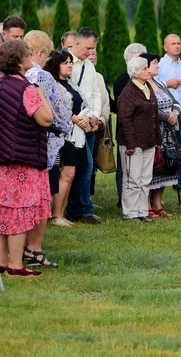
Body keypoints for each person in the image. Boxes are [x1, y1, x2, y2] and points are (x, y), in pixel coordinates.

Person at [0, 40, 54, 276]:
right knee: (19, 213)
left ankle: (2, 262)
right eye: (28, 55)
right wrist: (41, 94)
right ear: (20, 61)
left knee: (4, 211)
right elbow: (46, 119)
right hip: (23, 159)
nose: (31, 58)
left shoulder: (1, 84)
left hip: (3, 157)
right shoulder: (27, 88)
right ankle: (15, 265)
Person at [23, 32, 71, 267]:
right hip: (44, 143)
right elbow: (59, 110)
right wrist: (65, 127)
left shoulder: (16, 75)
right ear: (41, 53)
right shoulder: (41, 76)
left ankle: (20, 245)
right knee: (41, 198)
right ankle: (35, 248)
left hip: (21, 143)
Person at [44, 50, 90, 228]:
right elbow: (54, 109)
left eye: (71, 62)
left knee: (71, 175)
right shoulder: (53, 85)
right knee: (67, 173)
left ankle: (60, 213)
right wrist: (73, 118)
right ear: (56, 65)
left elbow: (83, 104)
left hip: (77, 134)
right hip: (62, 135)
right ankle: (55, 215)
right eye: (65, 62)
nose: (70, 65)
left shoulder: (71, 83)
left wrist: (87, 117)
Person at [117, 56, 161, 222]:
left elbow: (154, 115)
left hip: (148, 141)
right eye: (144, 69)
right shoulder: (128, 93)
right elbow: (125, 120)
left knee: (145, 179)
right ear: (135, 73)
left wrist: (157, 140)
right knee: (132, 179)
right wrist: (130, 143)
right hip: (132, 143)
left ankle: (142, 211)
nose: (148, 71)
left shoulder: (147, 86)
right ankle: (130, 213)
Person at [66, 27, 101, 224]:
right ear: (77, 43)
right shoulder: (66, 63)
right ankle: (79, 209)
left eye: (93, 48)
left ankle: (82, 208)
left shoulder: (89, 66)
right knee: (79, 166)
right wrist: (80, 119)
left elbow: (95, 93)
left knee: (87, 166)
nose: (90, 52)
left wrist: (95, 117)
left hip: (89, 124)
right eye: (88, 48)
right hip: (73, 123)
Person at [143, 53, 181, 218]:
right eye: (154, 63)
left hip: (169, 135)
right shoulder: (143, 85)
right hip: (154, 133)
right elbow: (149, 107)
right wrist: (168, 117)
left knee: (166, 167)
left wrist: (175, 112)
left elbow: (175, 102)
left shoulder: (159, 83)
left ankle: (158, 205)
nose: (158, 66)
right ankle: (146, 206)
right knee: (152, 169)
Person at [157, 34, 181, 192]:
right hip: (165, 114)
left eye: (179, 43)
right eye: (173, 43)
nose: (177, 46)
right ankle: (165, 178)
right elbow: (153, 85)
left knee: (179, 147)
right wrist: (168, 83)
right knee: (165, 146)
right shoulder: (159, 65)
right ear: (166, 47)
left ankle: (177, 181)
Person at [113, 43, 148, 205]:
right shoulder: (122, 81)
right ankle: (124, 198)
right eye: (135, 60)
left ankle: (141, 199)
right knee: (125, 166)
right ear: (127, 62)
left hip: (144, 130)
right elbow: (125, 110)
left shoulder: (148, 82)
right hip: (127, 130)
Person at [86, 47, 112, 200]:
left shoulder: (99, 77)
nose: (91, 56)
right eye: (88, 53)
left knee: (93, 165)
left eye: (93, 53)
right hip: (82, 126)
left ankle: (87, 198)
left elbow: (106, 104)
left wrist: (101, 122)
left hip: (97, 128)